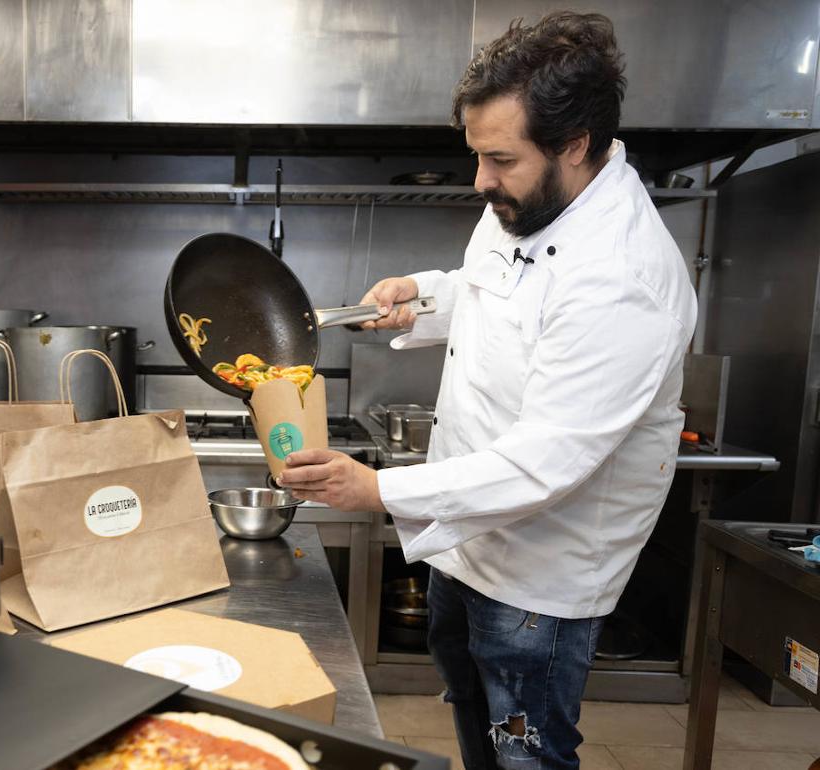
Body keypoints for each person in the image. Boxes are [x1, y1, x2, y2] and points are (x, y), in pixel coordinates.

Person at [278, 11, 697, 770]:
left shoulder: (625, 279)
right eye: (478, 155)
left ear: (575, 144)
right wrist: (421, 296)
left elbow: (543, 464)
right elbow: (495, 290)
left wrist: (378, 490)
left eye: (500, 159)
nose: (481, 181)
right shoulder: (534, 198)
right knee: (474, 720)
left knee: (524, 752)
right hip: (466, 540)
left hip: (539, 578)